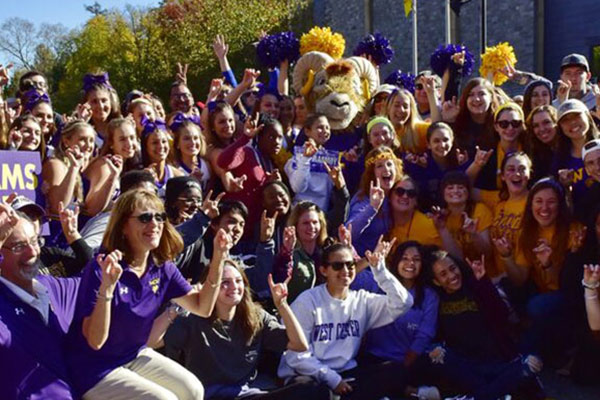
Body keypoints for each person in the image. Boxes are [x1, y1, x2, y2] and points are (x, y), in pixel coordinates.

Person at [66, 189, 233, 399]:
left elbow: (202, 307)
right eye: (145, 218)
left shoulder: (162, 267)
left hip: (132, 355)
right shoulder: (102, 267)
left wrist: (218, 259)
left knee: (193, 390)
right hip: (93, 368)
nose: (154, 225)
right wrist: (106, 290)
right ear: (123, 226)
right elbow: (95, 342)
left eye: (159, 217)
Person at [165, 260, 329, 399]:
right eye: (225, 283)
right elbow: (160, 347)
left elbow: (299, 345)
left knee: (312, 386)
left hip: (246, 394)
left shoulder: (255, 315)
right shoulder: (191, 319)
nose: (234, 287)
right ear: (210, 287)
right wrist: (176, 308)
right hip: (209, 396)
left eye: (238, 281)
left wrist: (282, 305)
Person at [278, 241, 414, 399]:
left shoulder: (362, 300)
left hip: (346, 374)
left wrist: (380, 270)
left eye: (350, 265)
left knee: (393, 371)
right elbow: (296, 357)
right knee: (314, 391)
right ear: (324, 270)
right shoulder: (307, 302)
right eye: (337, 266)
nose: (345, 271)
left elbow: (403, 303)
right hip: (308, 374)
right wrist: (333, 380)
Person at [424, 250, 545, 400]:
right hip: (465, 365)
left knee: (530, 363)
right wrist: (435, 349)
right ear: (436, 281)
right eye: (443, 274)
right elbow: (435, 335)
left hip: (494, 359)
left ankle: (479, 396)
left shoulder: (476, 286)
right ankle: (506, 385)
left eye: (452, 268)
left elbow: (501, 315)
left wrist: (483, 282)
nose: (451, 276)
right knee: (441, 356)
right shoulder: (436, 300)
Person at [0, 205, 80, 399]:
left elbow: (98, 281)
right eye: (19, 246)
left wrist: (74, 237)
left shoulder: (51, 286)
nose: (32, 252)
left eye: (35, 241)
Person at [355, 241, 440, 399]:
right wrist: (370, 260)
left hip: (406, 361)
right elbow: (351, 276)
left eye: (416, 259)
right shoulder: (378, 282)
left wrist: (405, 364)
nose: (410, 263)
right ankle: (412, 393)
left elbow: (425, 334)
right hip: (372, 357)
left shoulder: (429, 296)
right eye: (405, 258)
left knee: (390, 375)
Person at [217, 114, 282, 232]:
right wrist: (245, 137)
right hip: (235, 227)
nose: (277, 142)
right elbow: (222, 162)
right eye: (271, 137)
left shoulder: (272, 162)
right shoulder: (246, 153)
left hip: (255, 228)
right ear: (259, 136)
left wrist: (271, 183)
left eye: (280, 137)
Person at [444, 78, 500, 190]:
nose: (476, 99)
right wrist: (448, 121)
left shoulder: (501, 124)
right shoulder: (457, 126)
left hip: (495, 189)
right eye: (471, 95)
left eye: (481, 94)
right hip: (463, 190)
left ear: (491, 97)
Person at [347, 146, 404, 256]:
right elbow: (349, 232)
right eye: (379, 166)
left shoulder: (400, 192)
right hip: (363, 264)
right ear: (372, 173)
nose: (386, 169)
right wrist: (372, 208)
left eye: (389, 164)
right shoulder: (364, 197)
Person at [272, 202, 329, 303]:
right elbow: (280, 280)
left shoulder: (326, 251)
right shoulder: (289, 254)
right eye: (305, 223)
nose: (311, 227)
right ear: (295, 226)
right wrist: (287, 252)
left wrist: (348, 248)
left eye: (315, 222)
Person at [552, 98, 600, 212]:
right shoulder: (559, 160)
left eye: (576, 116)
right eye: (565, 120)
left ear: (588, 116)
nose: (572, 122)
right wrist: (565, 187)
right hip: (580, 220)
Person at [285, 113, 340, 212]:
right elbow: (297, 187)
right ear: (307, 131)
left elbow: (333, 190)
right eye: (320, 127)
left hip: (322, 216)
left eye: (327, 128)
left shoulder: (331, 159)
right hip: (300, 214)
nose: (325, 131)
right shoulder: (296, 158)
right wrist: (305, 159)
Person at [388, 176, 441, 249]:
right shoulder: (382, 221)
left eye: (411, 193)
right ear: (390, 196)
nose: (405, 196)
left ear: (416, 201)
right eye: (400, 191)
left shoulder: (427, 225)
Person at [140, 117, 184, 197]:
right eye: (155, 143)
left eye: (164, 141)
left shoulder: (177, 175)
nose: (161, 146)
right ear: (146, 146)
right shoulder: (139, 175)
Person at [171, 115, 212, 191]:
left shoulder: (207, 164)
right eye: (187, 138)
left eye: (196, 138)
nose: (193, 142)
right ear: (177, 144)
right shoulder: (174, 170)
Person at [384, 88, 430, 154]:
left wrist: (431, 94)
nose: (401, 110)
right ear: (388, 108)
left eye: (405, 106)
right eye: (396, 105)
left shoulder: (420, 129)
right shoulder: (379, 130)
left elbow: (439, 130)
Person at [82, 72, 121, 147]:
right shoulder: (83, 131)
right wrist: (82, 123)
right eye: (94, 101)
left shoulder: (121, 126)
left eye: (104, 100)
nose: (100, 106)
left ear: (111, 101)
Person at [525, 105, 559, 182]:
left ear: (556, 122)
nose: (542, 129)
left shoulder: (571, 148)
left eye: (546, 122)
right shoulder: (535, 155)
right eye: (536, 125)